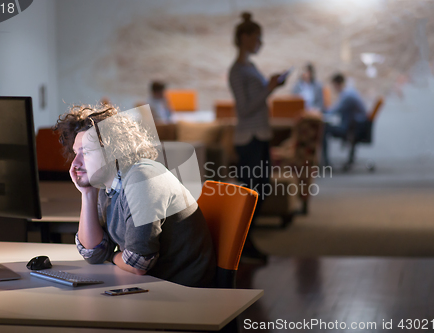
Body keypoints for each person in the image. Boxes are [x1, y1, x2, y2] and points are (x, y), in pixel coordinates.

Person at [53, 104, 216, 288]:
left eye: (87, 152)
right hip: (155, 284)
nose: (75, 163)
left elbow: (138, 263)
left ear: (112, 150)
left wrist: (111, 256)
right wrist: (87, 194)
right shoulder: (109, 185)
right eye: (76, 153)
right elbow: (93, 253)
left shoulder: (142, 178)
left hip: (184, 291)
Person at [228, 12, 285, 263]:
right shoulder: (237, 70)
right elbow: (244, 108)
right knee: (252, 192)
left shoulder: (250, 67)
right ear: (245, 37)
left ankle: (245, 241)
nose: (260, 42)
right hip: (248, 137)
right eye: (257, 38)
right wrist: (269, 89)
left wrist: (270, 87)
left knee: (262, 189)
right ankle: (242, 243)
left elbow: (256, 101)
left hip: (260, 135)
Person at [322, 73, 368, 167]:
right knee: (326, 126)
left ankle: (326, 162)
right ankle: (327, 161)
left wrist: (319, 113)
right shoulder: (350, 92)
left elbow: (335, 111)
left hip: (351, 128)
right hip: (355, 126)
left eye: (334, 86)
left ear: (337, 84)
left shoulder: (347, 96)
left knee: (324, 129)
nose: (334, 89)